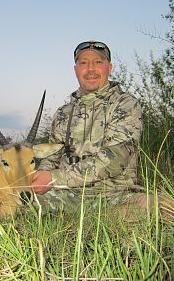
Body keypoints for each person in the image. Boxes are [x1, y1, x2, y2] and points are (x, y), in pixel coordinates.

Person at [31, 40, 146, 216]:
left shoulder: (125, 104)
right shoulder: (63, 113)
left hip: (113, 196)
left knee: (157, 207)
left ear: (109, 67)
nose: (90, 69)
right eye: (83, 63)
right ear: (75, 70)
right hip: (66, 195)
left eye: (98, 62)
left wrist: (54, 178)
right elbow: (52, 157)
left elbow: (115, 159)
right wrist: (41, 175)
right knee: (14, 201)